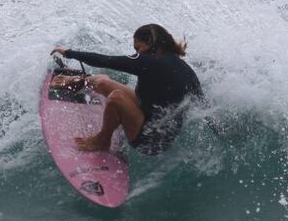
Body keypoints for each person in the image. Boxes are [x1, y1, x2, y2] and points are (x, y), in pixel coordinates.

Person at [51, 23, 202, 155]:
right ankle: (78, 82)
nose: (137, 53)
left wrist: (69, 53)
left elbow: (106, 60)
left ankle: (102, 140)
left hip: (151, 139)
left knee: (117, 98)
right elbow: (203, 105)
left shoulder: (150, 62)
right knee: (102, 82)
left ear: (150, 42)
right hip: (148, 113)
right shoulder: (188, 71)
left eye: (138, 47)